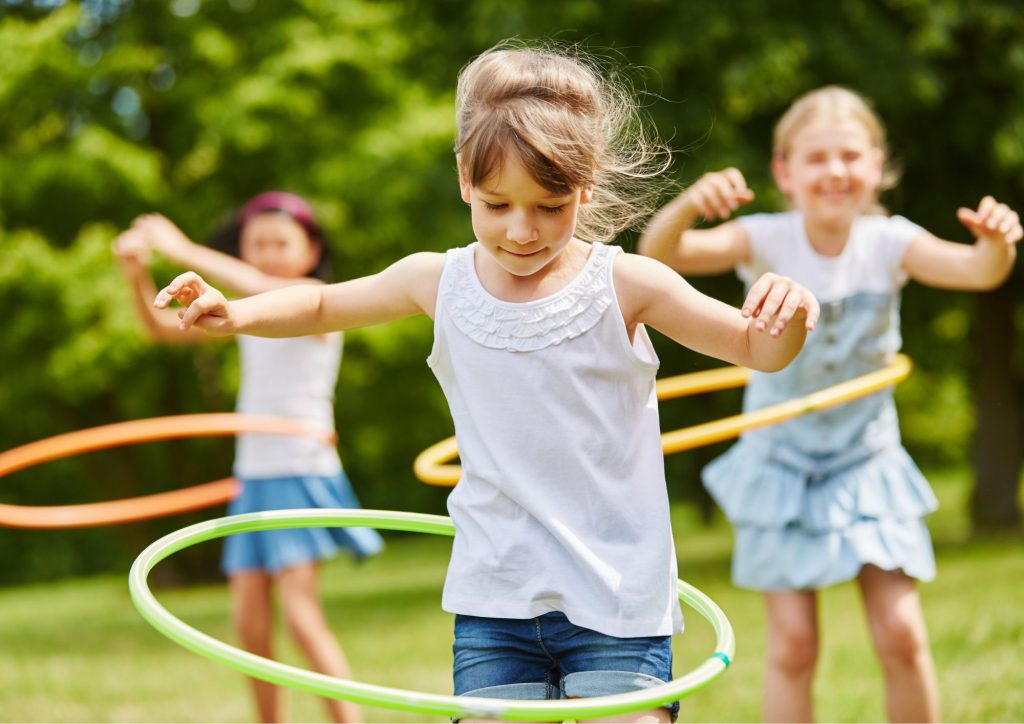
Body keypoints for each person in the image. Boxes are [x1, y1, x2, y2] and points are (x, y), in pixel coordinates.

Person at [152, 41, 820, 724]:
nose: (521, 230)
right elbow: (321, 303)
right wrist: (235, 313)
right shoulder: (437, 281)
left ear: (585, 184)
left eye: (549, 207)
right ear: (465, 180)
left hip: (618, 598)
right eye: (498, 204)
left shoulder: (626, 284)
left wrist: (792, 310)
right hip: (495, 602)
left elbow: (755, 349)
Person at [638, 85, 1021, 723]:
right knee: (792, 646)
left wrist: (999, 241)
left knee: (902, 634)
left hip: (866, 462)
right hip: (779, 463)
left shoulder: (890, 242)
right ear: (785, 172)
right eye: (815, 158)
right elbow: (661, 257)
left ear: (878, 166)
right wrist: (686, 207)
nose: (835, 170)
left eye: (851, 155)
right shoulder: (763, 239)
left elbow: (980, 271)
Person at [113, 191, 383, 724]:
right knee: (250, 627)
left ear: (311, 252)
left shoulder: (313, 299)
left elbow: (264, 288)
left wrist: (184, 248)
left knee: (301, 616)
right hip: (252, 476)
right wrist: (136, 275)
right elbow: (160, 329)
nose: (267, 253)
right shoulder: (243, 313)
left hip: (298, 467)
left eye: (281, 242)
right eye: (256, 243)